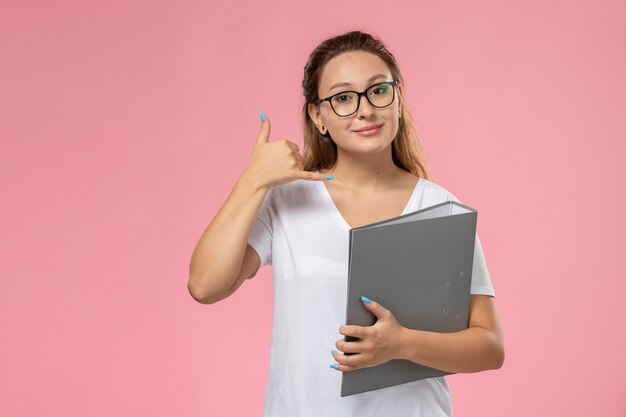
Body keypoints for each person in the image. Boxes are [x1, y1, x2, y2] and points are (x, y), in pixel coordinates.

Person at [188, 30, 504, 417]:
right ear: (318, 116)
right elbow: (205, 286)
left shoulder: (441, 208)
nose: (365, 110)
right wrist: (253, 180)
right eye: (342, 98)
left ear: (398, 100)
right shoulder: (287, 201)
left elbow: (489, 346)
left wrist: (401, 344)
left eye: (378, 91)